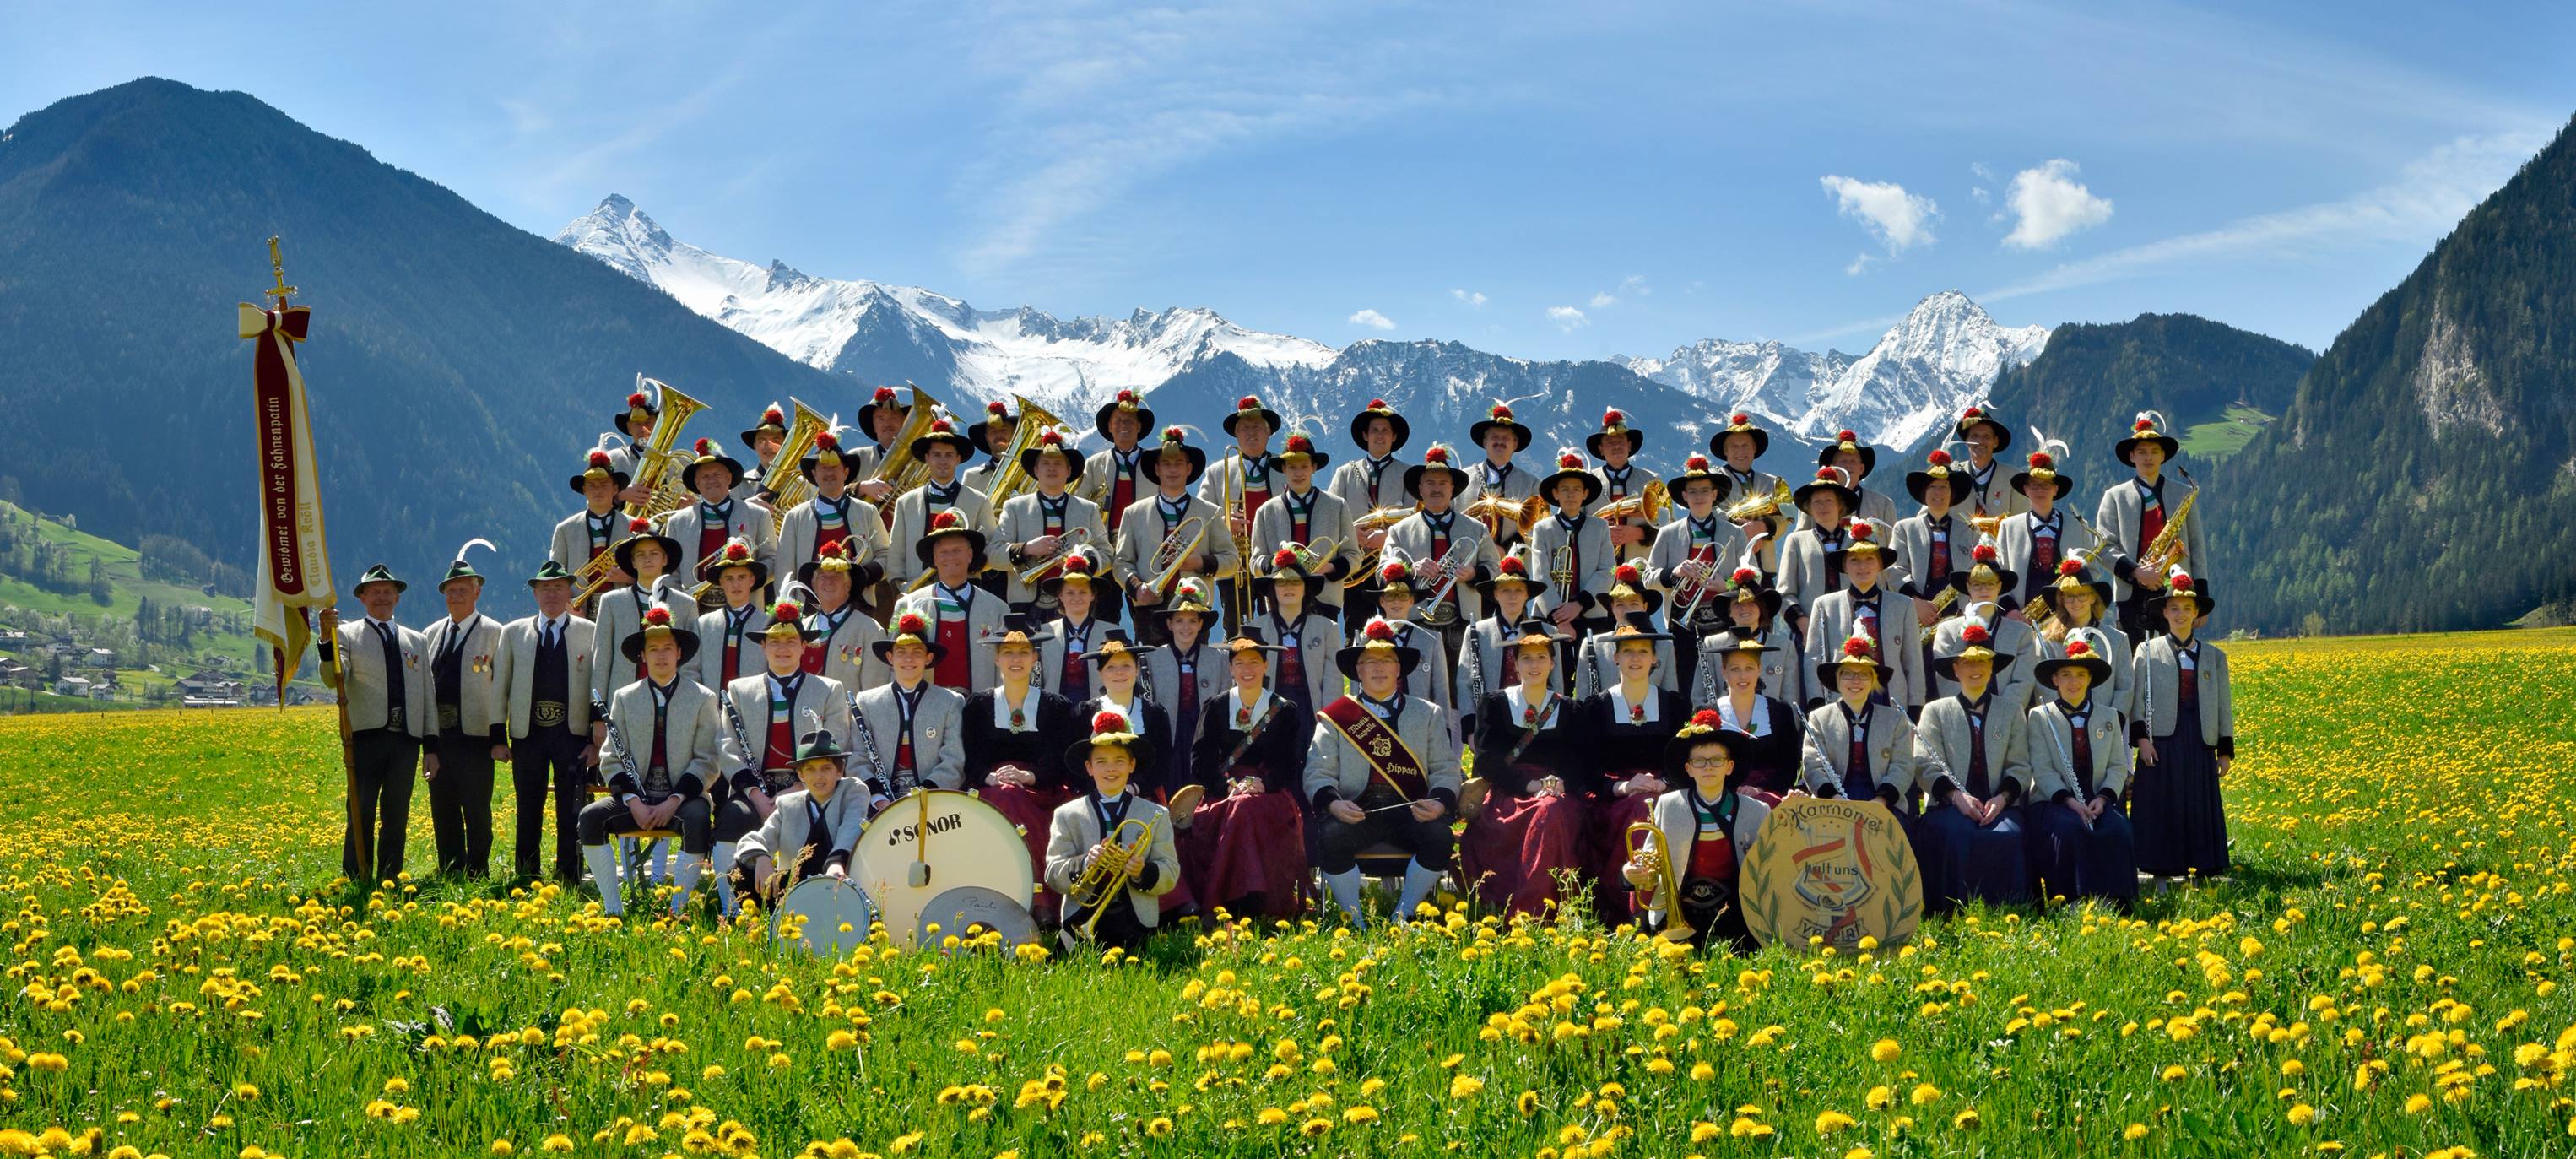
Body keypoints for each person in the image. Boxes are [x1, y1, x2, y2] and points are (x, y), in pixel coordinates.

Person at [1306, 618, 1464, 929]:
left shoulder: (1427, 713)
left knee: (1440, 837)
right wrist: (1334, 804)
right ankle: (1355, 921)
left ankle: (1403, 915)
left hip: (1411, 810)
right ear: (1358, 671)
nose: (1379, 668)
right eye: (1370, 662)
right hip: (1357, 811)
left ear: (1398, 670)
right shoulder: (1337, 717)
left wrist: (1439, 803)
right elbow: (1318, 770)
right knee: (1331, 836)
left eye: (1387, 661)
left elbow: (1445, 768)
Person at [577, 608, 722, 919]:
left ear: (680, 653)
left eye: (668, 648)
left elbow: (708, 759)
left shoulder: (702, 697)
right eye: (653, 649)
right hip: (637, 801)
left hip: (683, 800)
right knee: (590, 818)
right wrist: (632, 802)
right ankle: (613, 909)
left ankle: (677, 910)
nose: (661, 656)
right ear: (642, 655)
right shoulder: (625, 697)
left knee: (698, 820)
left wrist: (674, 800)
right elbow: (612, 758)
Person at [712, 604, 855, 918]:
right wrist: (756, 795)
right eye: (774, 641)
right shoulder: (738, 689)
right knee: (730, 819)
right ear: (762, 647)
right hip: (755, 791)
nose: (783, 649)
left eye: (791, 641)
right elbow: (727, 748)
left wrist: (795, 792)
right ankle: (731, 909)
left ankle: (814, 902)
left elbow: (837, 742)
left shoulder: (829, 690)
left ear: (805, 646)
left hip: (811, 789)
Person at [1176, 625, 1311, 920]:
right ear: (1231, 668)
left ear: (1266, 665)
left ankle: (1247, 900)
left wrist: (1264, 784)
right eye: (1239, 663)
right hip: (1222, 790)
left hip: (1269, 793)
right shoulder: (1215, 706)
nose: (1247, 669)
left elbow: (1290, 761)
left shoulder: (1285, 710)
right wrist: (1227, 787)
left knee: (1246, 810)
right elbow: (1200, 759)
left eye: (1253, 662)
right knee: (1237, 808)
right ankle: (1238, 900)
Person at [1620, 709, 1775, 953]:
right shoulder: (1669, 806)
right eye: (1699, 761)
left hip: (1735, 908)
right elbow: (1649, 861)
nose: (1708, 767)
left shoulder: (1757, 810)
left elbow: (1769, 871)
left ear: (1730, 767)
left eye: (1716, 760)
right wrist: (1631, 873)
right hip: (1680, 907)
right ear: (1688, 769)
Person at [1460, 622, 1588, 918]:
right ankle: (1522, 911)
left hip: (1559, 792)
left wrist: (1559, 784)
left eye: (1541, 657)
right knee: (1544, 810)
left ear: (1553, 663)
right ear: (1515, 664)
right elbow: (1486, 761)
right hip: (1509, 792)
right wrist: (1529, 786)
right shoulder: (1496, 703)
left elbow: (1580, 761)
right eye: (1527, 658)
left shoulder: (1571, 709)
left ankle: (1539, 908)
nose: (1534, 664)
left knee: (1552, 811)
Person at [1574, 611, 1687, 924]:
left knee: (1653, 807)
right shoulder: (1595, 708)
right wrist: (1623, 787)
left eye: (1642, 652)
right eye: (1627, 651)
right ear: (1615, 657)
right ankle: (1636, 908)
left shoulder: (1676, 705)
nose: (1635, 659)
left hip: (1665, 791)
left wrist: (1663, 783)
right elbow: (1586, 771)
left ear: (1654, 658)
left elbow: (1683, 761)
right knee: (1641, 809)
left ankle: (1667, 905)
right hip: (1612, 798)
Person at [319, 564, 428, 884]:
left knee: (396, 815)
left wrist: (430, 741)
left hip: (406, 740)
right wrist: (327, 640)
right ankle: (356, 876)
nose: (382, 596)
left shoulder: (416, 640)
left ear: (397, 597)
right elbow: (332, 679)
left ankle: (390, 876)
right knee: (360, 812)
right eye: (375, 592)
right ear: (363, 598)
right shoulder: (346, 635)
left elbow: (426, 693)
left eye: (387, 591)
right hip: (365, 737)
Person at [1913, 624, 2032, 910]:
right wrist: (1956, 797)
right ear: (1955, 669)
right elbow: (1925, 765)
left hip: (1997, 803)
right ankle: (1953, 909)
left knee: (2009, 835)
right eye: (1967, 663)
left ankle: (2008, 909)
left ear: (1992, 668)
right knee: (1958, 833)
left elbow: (2020, 765)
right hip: (1948, 805)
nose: (1975, 669)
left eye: (1982, 661)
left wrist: (2002, 799)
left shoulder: (2012, 711)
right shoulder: (1935, 712)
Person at [495, 561, 598, 883]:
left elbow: (599, 684)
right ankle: (527, 875)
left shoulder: (589, 632)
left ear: (569, 592)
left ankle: (569, 875)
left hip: (574, 734)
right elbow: (500, 685)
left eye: (558, 587)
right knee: (528, 807)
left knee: (572, 808)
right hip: (528, 735)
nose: (552, 594)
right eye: (544, 588)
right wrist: (498, 736)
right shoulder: (512, 633)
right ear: (535, 594)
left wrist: (596, 739)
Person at [1046, 712, 1183, 952]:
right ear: (1089, 768)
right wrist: (1085, 863)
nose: (1111, 769)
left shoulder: (1156, 814)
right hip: (1081, 917)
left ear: (1132, 765)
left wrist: (1143, 871)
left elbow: (1171, 872)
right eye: (1101, 762)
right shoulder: (1067, 815)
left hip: (1136, 922)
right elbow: (1053, 873)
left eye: (1119, 761)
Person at [2129, 571, 2233, 883]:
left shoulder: (2215, 657)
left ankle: (2200, 866)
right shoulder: (2147, 651)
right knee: (2162, 802)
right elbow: (2137, 699)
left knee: (2197, 803)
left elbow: (2222, 705)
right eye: (2174, 608)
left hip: (2200, 739)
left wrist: (2225, 750)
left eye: (2187, 609)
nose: (2181, 614)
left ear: (2196, 613)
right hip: (2161, 739)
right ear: (2164, 612)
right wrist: (2142, 740)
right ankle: (2159, 867)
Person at [2027, 629, 2140, 908]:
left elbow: (2116, 765)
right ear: (2054, 680)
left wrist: (2103, 798)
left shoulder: (2109, 716)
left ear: (2090, 679)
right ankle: (2070, 900)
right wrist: (2070, 801)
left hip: (2097, 798)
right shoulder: (2040, 717)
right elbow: (2042, 770)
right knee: (2069, 830)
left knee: (2118, 829)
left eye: (2080, 675)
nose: (2073, 682)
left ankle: (2114, 900)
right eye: (2066, 675)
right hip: (2056, 801)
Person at [420, 545, 507, 877]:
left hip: (477, 738)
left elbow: (502, 691)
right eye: (450, 590)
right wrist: (428, 745)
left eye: (462, 589)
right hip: (440, 739)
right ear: (444, 595)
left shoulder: (495, 633)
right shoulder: (430, 634)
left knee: (477, 810)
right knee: (442, 809)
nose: (456, 595)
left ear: (477, 592)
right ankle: (451, 868)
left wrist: (499, 738)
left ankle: (478, 869)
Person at [2096, 411, 2211, 646]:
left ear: (2163, 456)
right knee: (2134, 664)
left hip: (2177, 593)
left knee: (2177, 660)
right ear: (2132, 456)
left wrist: (2201, 597)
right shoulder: (2114, 497)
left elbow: (2197, 547)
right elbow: (2103, 547)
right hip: (2132, 594)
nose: (2148, 457)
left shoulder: (2182, 494)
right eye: (2142, 452)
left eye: (2154, 452)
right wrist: (2137, 572)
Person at [1113, 425, 1231, 645]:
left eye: (1178, 463)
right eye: (1166, 464)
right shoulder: (1133, 513)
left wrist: (1201, 562)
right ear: (1157, 469)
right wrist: (1137, 588)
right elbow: (1121, 563)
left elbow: (1231, 560)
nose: (1172, 469)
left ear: (1189, 468)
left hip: (1195, 610)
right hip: (1148, 610)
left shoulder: (1210, 513)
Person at [1383, 444, 1496, 669]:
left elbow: (1495, 568)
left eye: (1443, 483)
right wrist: (1411, 568)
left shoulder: (1477, 529)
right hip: (1417, 621)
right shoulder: (1399, 530)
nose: (1437, 489)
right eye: (1430, 483)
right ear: (1420, 489)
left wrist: (1474, 573)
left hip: (1463, 622)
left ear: (1452, 489)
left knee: (1463, 690)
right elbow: (1382, 571)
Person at [730, 728, 869, 909]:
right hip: (798, 887)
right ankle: (771, 921)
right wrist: (762, 856)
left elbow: (852, 825)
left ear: (839, 771)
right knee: (737, 870)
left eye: (826, 768)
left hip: (841, 879)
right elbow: (756, 839)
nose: (818, 776)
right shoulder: (788, 804)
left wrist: (836, 862)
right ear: (801, 775)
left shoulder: (853, 790)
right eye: (810, 770)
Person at [1799, 521, 1924, 715]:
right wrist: (1816, 701)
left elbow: (1913, 660)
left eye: (1869, 559)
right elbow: (1813, 658)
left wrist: (1916, 706)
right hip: (1839, 699)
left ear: (1880, 565)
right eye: (1854, 560)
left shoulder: (1903, 605)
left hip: (1890, 698)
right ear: (1845, 566)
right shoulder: (1824, 605)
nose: (1862, 566)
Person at [1645, 453, 1750, 680]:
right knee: (1686, 679)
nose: (1699, 496)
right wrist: (1673, 572)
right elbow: (1648, 577)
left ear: (1714, 494)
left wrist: (1728, 585)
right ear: (1684, 496)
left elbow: (1752, 578)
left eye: (1705, 491)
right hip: (1682, 621)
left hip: (1726, 617)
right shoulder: (1667, 533)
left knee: (1725, 679)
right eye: (1693, 491)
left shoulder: (1735, 533)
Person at [1798, 631, 1924, 815]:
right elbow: (1813, 766)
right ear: (1837, 679)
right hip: (1831, 804)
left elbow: (1903, 767)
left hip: (1883, 804)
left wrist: (1880, 801)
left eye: (1864, 674)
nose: (1855, 681)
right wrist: (1834, 798)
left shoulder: (1895, 720)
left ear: (1873, 680)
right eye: (1847, 674)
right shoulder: (1819, 718)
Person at [770, 430, 891, 613]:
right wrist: (787, 608)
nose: (829, 473)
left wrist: (867, 574)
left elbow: (887, 554)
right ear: (814, 474)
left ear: (846, 472)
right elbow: (784, 571)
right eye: (823, 468)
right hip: (807, 611)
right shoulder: (795, 517)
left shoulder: (867, 511)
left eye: (835, 467)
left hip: (859, 608)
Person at [848, 612, 966, 800]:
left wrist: (927, 793)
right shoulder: (867, 702)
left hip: (934, 800)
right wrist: (878, 798)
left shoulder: (951, 702)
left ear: (928, 658)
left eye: (917, 653)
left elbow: (954, 761)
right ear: (890, 657)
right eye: (901, 653)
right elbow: (858, 760)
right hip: (879, 802)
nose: (908, 659)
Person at [893, 512, 1008, 691]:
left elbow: (1004, 669)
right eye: (943, 552)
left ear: (970, 556)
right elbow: (894, 665)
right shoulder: (909, 606)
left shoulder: (998, 608)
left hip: (980, 706)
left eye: (957, 551)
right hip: (926, 706)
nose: (951, 557)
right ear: (935, 558)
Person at [999, 429, 1110, 615]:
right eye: (1045, 463)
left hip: (1076, 602)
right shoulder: (1014, 507)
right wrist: (1027, 548)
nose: (1052, 468)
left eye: (1058, 463)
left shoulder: (1088, 509)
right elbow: (994, 553)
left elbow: (1107, 554)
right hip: (1026, 603)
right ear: (1036, 470)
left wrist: (1079, 562)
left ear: (1068, 471)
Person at [1196, 395, 1284, 630]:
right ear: (1236, 434)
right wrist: (1224, 523)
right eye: (1245, 428)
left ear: (1269, 433)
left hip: (1276, 561)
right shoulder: (1216, 473)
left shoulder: (1286, 467)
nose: (1251, 433)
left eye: (1257, 427)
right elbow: (1199, 518)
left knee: (1279, 625)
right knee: (1235, 628)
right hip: (1234, 564)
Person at [1250, 433, 1358, 618]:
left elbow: (1354, 556)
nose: (1298, 473)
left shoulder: (1337, 505)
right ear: (1283, 469)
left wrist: (1329, 568)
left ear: (1314, 468)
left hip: (1324, 599)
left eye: (1304, 467)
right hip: (1280, 599)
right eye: (1292, 467)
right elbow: (1255, 562)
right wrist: (1277, 562)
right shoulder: (1265, 511)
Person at [1328, 398, 1414, 626]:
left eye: (1385, 431)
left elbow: (1415, 520)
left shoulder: (1408, 475)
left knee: (1396, 626)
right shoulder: (1344, 473)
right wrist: (1350, 531)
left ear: (1394, 437)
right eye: (1374, 430)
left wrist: (1387, 537)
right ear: (1365, 435)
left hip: (1394, 564)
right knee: (1354, 630)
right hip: (1356, 567)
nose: (1380, 435)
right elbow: (1329, 516)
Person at [884, 419, 994, 592]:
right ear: (927, 458)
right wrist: (898, 584)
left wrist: (976, 562)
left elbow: (990, 546)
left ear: (958, 459)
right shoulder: (906, 502)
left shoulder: (979, 501)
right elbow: (897, 550)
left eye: (949, 455)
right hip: (916, 588)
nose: (943, 461)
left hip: (966, 587)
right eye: (936, 455)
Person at [1454, 552, 1556, 739]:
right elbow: (1464, 683)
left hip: (1537, 722)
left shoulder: (1548, 631)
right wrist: (1470, 730)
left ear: (1527, 595)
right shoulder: (1478, 631)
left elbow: (1557, 682)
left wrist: (1554, 723)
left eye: (1518, 590)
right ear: (1495, 594)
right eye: (1505, 590)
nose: (1512, 596)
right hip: (1491, 725)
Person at [1925, 544, 2036, 711]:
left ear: (1999, 587)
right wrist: (1967, 710)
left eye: (1990, 584)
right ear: (1968, 587)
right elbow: (1946, 678)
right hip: (1960, 715)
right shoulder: (1947, 631)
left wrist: (2000, 712)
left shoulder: (2021, 633)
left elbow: (2023, 681)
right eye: (1977, 584)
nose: (1984, 589)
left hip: (2007, 716)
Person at [1693, 633, 1806, 796]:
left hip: (1769, 795)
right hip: (1720, 795)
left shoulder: (1780, 712)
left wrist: (1760, 790)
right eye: (1735, 669)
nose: (1743, 676)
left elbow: (1789, 765)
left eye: (1749, 668)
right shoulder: (1707, 714)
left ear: (1759, 669)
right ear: (1723, 671)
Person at [1142, 579, 1227, 795]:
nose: (1186, 627)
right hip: (1169, 737)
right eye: (1179, 621)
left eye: (1192, 621)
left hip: (1203, 737)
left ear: (1201, 624)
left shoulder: (1218, 659)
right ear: (1169, 624)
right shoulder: (1152, 658)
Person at [1356, 559, 1454, 729]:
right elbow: (1355, 688)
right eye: (1390, 596)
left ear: (1412, 601)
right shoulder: (1365, 638)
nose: (1396, 601)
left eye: (1403, 596)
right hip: (1376, 725)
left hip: (1420, 725)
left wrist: (1443, 729)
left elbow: (1441, 692)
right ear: (1381, 601)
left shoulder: (1430, 640)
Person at [2035, 550, 2132, 719]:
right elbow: (2043, 687)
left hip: (2105, 727)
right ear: (2062, 600)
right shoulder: (2046, 640)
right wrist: (2062, 719)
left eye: (2082, 595)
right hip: (2061, 723)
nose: (2076, 602)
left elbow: (2125, 688)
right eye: (2070, 596)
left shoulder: (2118, 639)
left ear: (2093, 598)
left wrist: (2111, 720)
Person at [1074, 634, 1172, 801]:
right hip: (1093, 796)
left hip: (1143, 796)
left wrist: (1134, 788)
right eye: (1111, 667)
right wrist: (1102, 791)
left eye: (1126, 666)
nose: (1119, 672)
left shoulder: (1154, 714)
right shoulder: (1084, 712)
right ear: (1100, 674)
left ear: (1136, 670)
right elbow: (1076, 763)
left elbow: (1163, 764)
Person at [1687, 568, 1802, 708]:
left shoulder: (1784, 647)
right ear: (1729, 612)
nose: (1744, 608)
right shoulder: (1712, 644)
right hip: (1725, 725)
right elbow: (1699, 697)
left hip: (1772, 726)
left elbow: (1791, 700)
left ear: (1761, 609)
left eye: (1752, 603)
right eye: (1737, 604)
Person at [1527, 451, 1613, 636]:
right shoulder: (1542, 528)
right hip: (1550, 615)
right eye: (1564, 489)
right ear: (1555, 494)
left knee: (1592, 664)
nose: (1571, 495)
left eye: (1576, 489)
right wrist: (1559, 616)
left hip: (1592, 613)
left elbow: (1607, 570)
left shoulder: (1600, 527)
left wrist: (1579, 604)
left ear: (1585, 494)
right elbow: (1540, 576)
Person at [1253, 548, 1345, 719]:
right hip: (1266, 716)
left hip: (1311, 714)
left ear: (1305, 588)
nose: (1289, 587)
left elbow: (1333, 682)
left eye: (1296, 582)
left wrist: (1328, 721)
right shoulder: (1255, 629)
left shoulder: (1327, 628)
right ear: (1273, 588)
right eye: (1281, 583)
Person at [664, 438, 772, 585]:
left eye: (717, 475)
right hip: (693, 604)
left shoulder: (758, 515)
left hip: (745, 602)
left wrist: (748, 582)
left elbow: (772, 560)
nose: (711, 480)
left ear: (729, 478)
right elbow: (671, 572)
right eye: (705, 476)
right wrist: (682, 602)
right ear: (697, 483)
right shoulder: (677, 522)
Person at [1892, 450, 1973, 642]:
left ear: (1952, 494)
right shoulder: (1905, 528)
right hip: (1917, 612)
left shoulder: (1969, 531)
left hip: (1959, 614)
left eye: (1944, 487)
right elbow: (1895, 570)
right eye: (1933, 487)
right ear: (1924, 493)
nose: (1938, 493)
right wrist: (1916, 602)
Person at [1774, 467, 1860, 641]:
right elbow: (1785, 592)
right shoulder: (1796, 541)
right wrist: (1802, 622)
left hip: (1855, 628)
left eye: (1829, 500)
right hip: (1809, 629)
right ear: (1809, 509)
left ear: (1840, 506)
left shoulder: (1857, 542)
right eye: (1817, 502)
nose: (1823, 506)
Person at [796, 541, 890, 693]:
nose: (829, 581)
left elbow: (874, 693)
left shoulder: (870, 630)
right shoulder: (801, 627)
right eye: (822, 576)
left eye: (837, 576)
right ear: (813, 584)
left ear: (848, 586)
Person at [1994, 441, 2075, 614]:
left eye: (2046, 485)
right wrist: (2010, 609)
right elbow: (1998, 574)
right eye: (2034, 485)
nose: (2040, 490)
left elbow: (2091, 570)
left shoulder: (2076, 525)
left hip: (2067, 614)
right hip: (2021, 615)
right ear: (2026, 490)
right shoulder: (2008, 528)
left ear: (2055, 489)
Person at [1571, 566, 1677, 697]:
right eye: (1620, 605)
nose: (1627, 611)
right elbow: (1583, 697)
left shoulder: (1665, 646)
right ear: (1612, 608)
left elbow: (1671, 696)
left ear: (1645, 606)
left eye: (1634, 604)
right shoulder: (1593, 644)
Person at [551, 451, 634, 610]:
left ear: (615, 489)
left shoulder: (632, 527)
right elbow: (556, 577)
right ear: (584, 490)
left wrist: (628, 577)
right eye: (592, 486)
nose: (598, 491)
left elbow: (650, 574)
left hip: (625, 607)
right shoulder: (565, 530)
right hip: (579, 610)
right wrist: (570, 608)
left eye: (604, 485)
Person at [1036, 551, 1118, 703]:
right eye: (1070, 593)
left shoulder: (1110, 633)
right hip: (1054, 710)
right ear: (1060, 595)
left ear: (1093, 595)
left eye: (1083, 592)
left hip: (1099, 710)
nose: (1077, 598)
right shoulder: (1044, 633)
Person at [693, 539, 774, 691]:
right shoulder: (703, 625)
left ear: (752, 580)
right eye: (729, 578)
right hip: (710, 709)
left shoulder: (767, 626)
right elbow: (691, 671)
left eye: (742, 577)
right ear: (721, 582)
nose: (736, 584)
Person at [1080, 388, 1155, 541]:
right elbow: (1080, 505)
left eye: (1129, 421)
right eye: (1118, 421)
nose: (1124, 426)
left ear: (1139, 427)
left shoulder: (1155, 462)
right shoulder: (1093, 464)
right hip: (1102, 544)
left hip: (1146, 544)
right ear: (1109, 426)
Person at [1586, 409, 1655, 566]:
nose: (1616, 446)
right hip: (1597, 567)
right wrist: (1601, 534)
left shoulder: (1651, 480)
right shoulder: (1587, 482)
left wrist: (1640, 533)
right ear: (1601, 449)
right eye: (1610, 443)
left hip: (1640, 565)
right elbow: (1576, 523)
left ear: (1629, 446)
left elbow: (1667, 524)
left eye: (1621, 441)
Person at [1810, 428, 1900, 528]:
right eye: (1843, 461)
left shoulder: (1883, 504)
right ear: (1832, 468)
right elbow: (1801, 539)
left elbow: (1893, 541)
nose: (1848, 465)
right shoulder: (1813, 502)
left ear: (1861, 469)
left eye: (1853, 461)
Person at [1953, 405, 2026, 524]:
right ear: (1966, 441)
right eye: (1975, 436)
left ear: (1995, 442)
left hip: (2000, 542)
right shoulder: (1952, 476)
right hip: (1959, 543)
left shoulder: (2013, 478)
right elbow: (1931, 515)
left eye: (1986, 437)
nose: (1980, 441)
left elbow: (2022, 522)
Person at [1707, 411, 1783, 514]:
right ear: (1725, 451)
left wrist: (1766, 525)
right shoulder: (1712, 481)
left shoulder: (1772, 483)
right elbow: (1706, 513)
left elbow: (1783, 518)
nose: (1740, 452)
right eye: (1734, 446)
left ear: (1754, 448)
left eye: (1745, 446)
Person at [733, 401, 791, 507]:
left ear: (785, 445)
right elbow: (727, 520)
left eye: (776, 440)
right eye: (762, 441)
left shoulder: (800, 483)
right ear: (754, 446)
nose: (768, 446)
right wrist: (745, 508)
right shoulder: (740, 484)